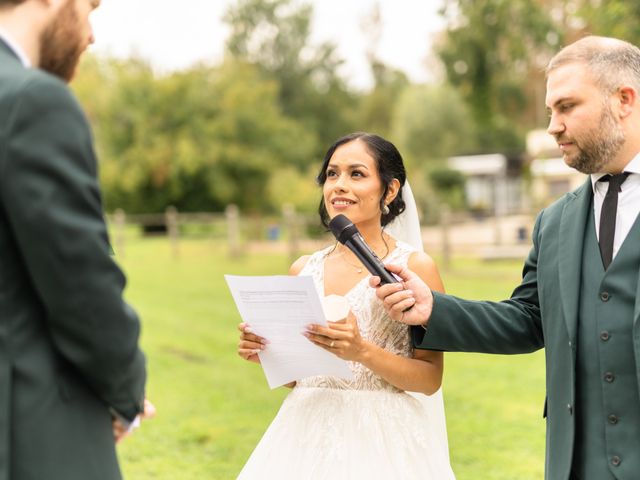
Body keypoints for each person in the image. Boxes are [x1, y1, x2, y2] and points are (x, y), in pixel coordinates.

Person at [372, 36, 640, 480]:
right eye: (550, 111)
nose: (553, 126)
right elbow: (529, 319)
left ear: (624, 100)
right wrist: (433, 307)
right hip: (578, 462)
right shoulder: (554, 223)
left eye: (567, 106)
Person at [237, 132, 455, 479]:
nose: (339, 185)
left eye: (357, 174)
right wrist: (267, 353)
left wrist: (362, 352)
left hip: (383, 443)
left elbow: (430, 379)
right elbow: (298, 381)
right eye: (332, 174)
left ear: (391, 189)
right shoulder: (303, 268)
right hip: (303, 436)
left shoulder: (415, 268)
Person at [0, 1, 152, 479]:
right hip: (27, 428)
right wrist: (126, 393)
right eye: (89, 8)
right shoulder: (31, 100)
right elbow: (83, 289)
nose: (90, 35)